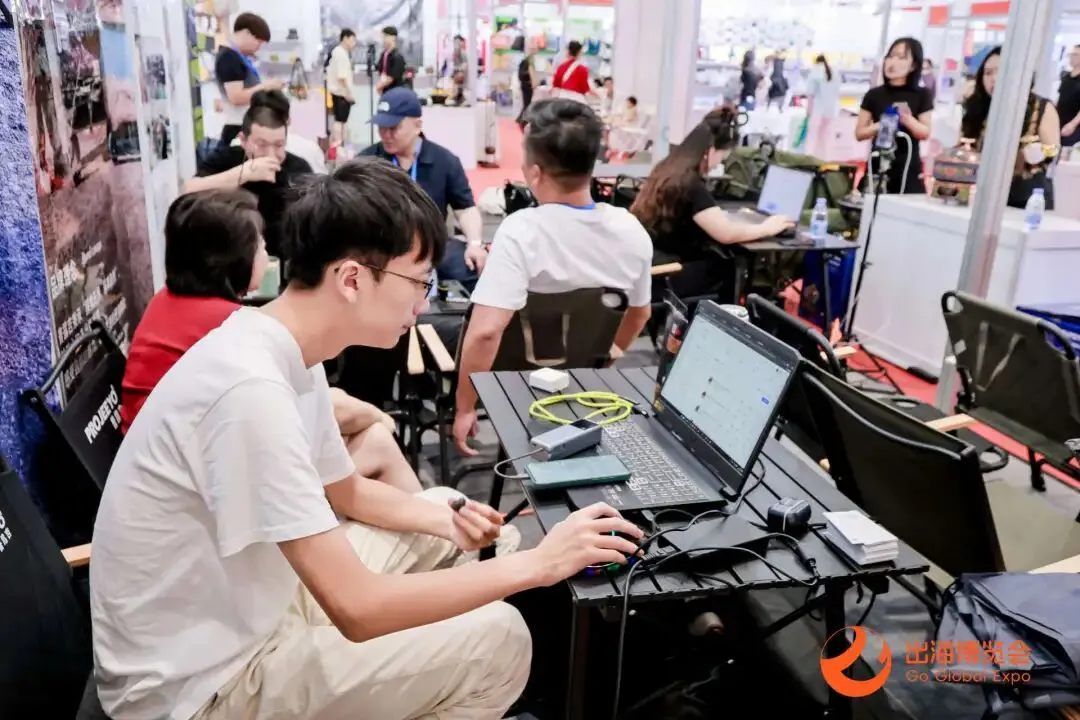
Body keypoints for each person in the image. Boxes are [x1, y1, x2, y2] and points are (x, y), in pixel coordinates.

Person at [91, 157, 645, 720]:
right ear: (352, 279)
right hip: (200, 688)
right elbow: (357, 608)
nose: (423, 303)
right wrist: (541, 563)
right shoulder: (250, 392)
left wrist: (449, 522)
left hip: (247, 610)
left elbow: (347, 491)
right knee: (501, 637)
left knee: (458, 522)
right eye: (418, 281)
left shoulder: (285, 347)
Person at [121, 189, 421, 496]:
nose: (267, 254)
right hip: (199, 478)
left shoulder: (168, 302)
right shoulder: (231, 329)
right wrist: (380, 416)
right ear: (232, 258)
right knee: (378, 442)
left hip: (190, 461)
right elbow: (330, 410)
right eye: (261, 245)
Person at [452, 99, 654, 455]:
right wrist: (604, 358)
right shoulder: (631, 230)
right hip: (584, 387)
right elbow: (640, 314)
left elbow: (485, 333)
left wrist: (465, 407)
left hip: (510, 388)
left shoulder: (521, 231)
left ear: (534, 172)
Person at [631, 105, 794, 299]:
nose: (720, 163)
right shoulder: (690, 184)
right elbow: (727, 234)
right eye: (722, 156)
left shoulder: (668, 168)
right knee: (730, 265)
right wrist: (767, 227)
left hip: (651, 263)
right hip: (669, 273)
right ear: (709, 151)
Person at [362, 87, 487, 286]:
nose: (385, 134)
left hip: (432, 245)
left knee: (470, 269)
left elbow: (465, 208)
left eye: (393, 128)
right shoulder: (366, 162)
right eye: (381, 127)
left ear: (417, 126)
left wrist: (475, 244)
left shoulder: (445, 161)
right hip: (382, 246)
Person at [185, 91, 313, 259]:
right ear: (243, 140)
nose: (271, 154)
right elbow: (188, 191)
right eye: (261, 145)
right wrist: (242, 174)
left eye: (279, 145)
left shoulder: (299, 168)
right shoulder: (228, 158)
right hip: (230, 257)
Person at [962, 46, 1060, 210]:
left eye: (1001, 72)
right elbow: (964, 145)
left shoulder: (1040, 107)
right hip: (982, 194)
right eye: (988, 73)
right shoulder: (977, 108)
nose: (994, 79)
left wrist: (1042, 151)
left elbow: (1054, 149)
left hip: (1028, 197)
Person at [855, 37, 934, 194]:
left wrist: (907, 119)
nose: (892, 62)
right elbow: (859, 133)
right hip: (878, 166)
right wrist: (881, 125)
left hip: (908, 169)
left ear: (913, 65)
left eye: (901, 57)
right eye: (890, 56)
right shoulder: (874, 94)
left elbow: (925, 133)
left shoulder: (922, 95)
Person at [214, 12, 283, 149]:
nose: (259, 47)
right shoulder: (229, 58)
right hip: (237, 128)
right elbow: (236, 97)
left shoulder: (239, 57)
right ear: (246, 33)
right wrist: (266, 86)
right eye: (259, 42)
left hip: (246, 125)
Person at [229, 88, 327, 173]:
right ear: (288, 120)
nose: (270, 156)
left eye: (279, 145)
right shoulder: (310, 149)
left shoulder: (235, 147)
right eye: (261, 144)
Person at [327, 28, 357, 147]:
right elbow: (342, 77)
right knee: (340, 121)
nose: (353, 43)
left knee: (341, 120)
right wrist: (349, 94)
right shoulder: (340, 53)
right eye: (352, 40)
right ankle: (337, 146)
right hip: (341, 93)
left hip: (339, 92)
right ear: (345, 38)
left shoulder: (339, 52)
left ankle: (339, 145)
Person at [805, 54, 841, 157]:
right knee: (825, 138)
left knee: (812, 138)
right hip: (831, 111)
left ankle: (810, 159)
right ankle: (824, 159)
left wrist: (808, 112)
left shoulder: (815, 72)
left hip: (818, 110)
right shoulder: (834, 72)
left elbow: (810, 95)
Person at [1058, 45, 1080, 147]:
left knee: (1064, 150)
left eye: (1075, 55)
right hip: (1059, 123)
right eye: (1071, 54)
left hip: (1073, 128)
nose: (1071, 57)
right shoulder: (1066, 76)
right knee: (1051, 150)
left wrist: (1072, 124)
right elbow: (1061, 98)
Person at [376, 25, 407, 95]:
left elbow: (393, 77)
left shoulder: (398, 57)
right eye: (383, 37)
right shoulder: (383, 55)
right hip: (385, 90)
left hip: (395, 91)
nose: (383, 40)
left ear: (393, 38)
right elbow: (381, 70)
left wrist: (380, 86)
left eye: (385, 37)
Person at [516, 38, 538, 131]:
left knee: (526, 103)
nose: (537, 50)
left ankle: (521, 120)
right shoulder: (529, 60)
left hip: (525, 84)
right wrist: (534, 83)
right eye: (535, 48)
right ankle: (523, 121)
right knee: (527, 103)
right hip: (527, 85)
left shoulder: (528, 59)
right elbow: (531, 73)